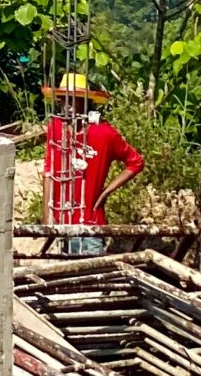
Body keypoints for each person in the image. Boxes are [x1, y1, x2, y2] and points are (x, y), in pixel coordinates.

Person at [44, 84, 144, 254]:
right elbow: (49, 171)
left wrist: (105, 192)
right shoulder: (56, 128)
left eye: (72, 99)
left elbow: (136, 162)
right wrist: (47, 212)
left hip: (91, 222)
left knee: (92, 274)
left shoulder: (104, 133)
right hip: (63, 221)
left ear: (84, 101)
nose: (66, 104)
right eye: (62, 99)